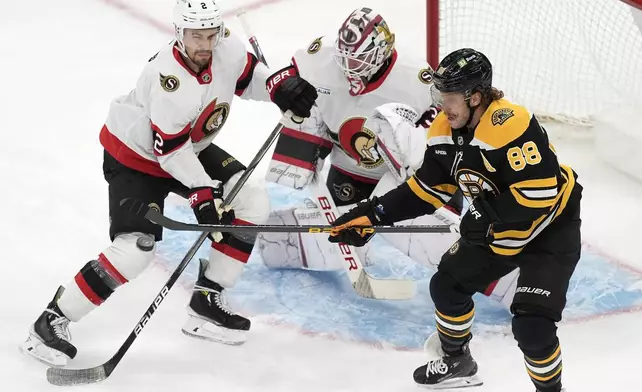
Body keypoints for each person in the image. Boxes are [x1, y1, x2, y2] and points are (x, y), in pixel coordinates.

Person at [19, 0, 317, 367]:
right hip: (136, 158)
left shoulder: (225, 46)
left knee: (252, 202)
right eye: (196, 36)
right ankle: (50, 320)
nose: (206, 44)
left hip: (188, 145)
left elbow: (249, 76)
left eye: (212, 33)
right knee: (136, 250)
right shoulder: (169, 80)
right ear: (179, 33)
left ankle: (207, 301)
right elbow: (170, 155)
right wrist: (202, 193)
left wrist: (278, 87)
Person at [329, 48, 582, 392]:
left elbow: (541, 194)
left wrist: (486, 217)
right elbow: (426, 190)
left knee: (533, 328)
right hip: (499, 228)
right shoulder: (443, 130)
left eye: (449, 97)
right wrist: (373, 215)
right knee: (447, 287)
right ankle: (457, 361)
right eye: (440, 95)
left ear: (476, 97)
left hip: (549, 229)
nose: (443, 106)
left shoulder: (509, 124)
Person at [259, 7, 519, 308]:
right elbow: (278, 79)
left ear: (382, 52)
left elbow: (443, 141)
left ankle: (508, 283)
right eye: (344, 58)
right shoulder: (320, 58)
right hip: (348, 173)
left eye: (357, 60)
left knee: (427, 236)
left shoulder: (417, 81)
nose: (348, 68)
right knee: (280, 244)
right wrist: (284, 88)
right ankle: (361, 237)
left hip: (409, 177)